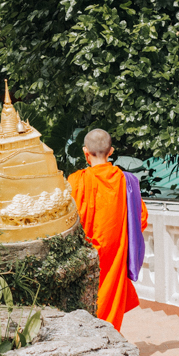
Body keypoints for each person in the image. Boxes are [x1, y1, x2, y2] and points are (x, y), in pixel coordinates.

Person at [68, 129, 148, 331]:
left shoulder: (76, 181)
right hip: (116, 256)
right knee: (110, 302)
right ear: (111, 151)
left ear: (86, 152)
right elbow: (141, 219)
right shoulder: (126, 181)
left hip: (85, 256)